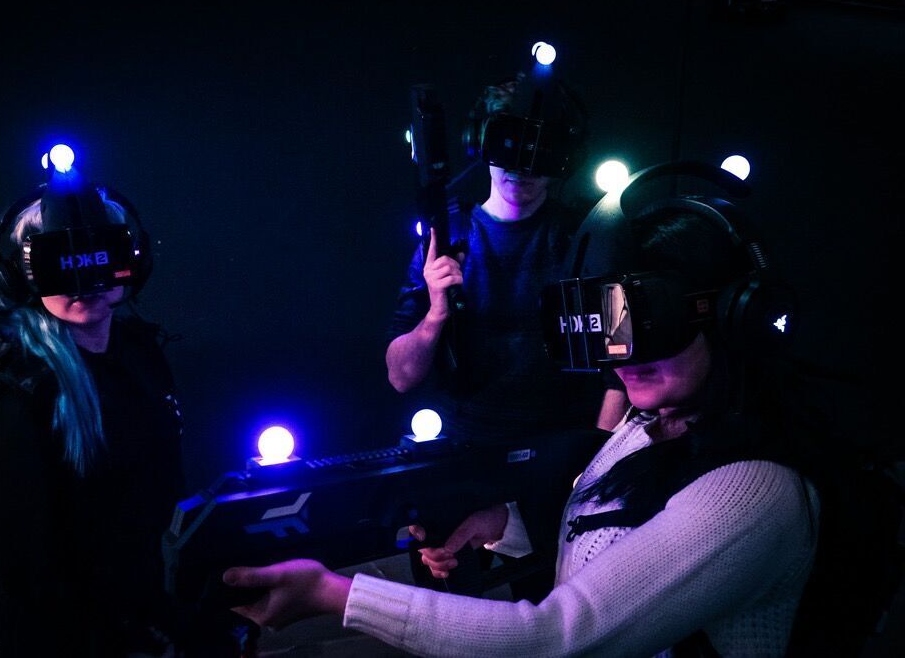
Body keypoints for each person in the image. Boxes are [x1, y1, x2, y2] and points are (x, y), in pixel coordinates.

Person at [222, 186, 828, 657]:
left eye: (654, 319)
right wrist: (497, 526)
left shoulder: (755, 493)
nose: (625, 351)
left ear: (737, 318)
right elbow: (608, 539)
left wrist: (332, 594)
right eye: (614, 319)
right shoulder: (648, 427)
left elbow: (556, 639)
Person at [0, 149, 185, 657]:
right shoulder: (23, 395)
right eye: (62, 262)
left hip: (145, 612)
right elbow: (31, 568)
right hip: (66, 637)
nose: (85, 280)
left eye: (100, 255)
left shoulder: (143, 360)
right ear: (24, 275)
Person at [386, 72, 628, 444]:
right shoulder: (445, 240)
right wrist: (435, 314)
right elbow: (401, 377)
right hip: (464, 448)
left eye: (539, 151)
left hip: (562, 449)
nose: (522, 168)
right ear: (481, 143)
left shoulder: (583, 237)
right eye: (510, 144)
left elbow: (620, 366)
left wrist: (594, 458)